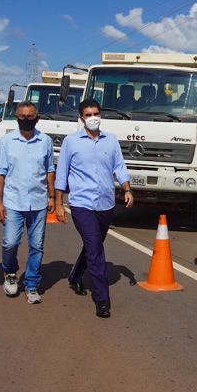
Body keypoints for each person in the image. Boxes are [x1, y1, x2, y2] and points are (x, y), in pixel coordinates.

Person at [54, 99, 133, 318]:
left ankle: (75, 275)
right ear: (81, 118)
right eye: (88, 115)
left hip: (105, 203)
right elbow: (62, 173)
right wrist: (59, 204)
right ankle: (102, 299)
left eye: (96, 113)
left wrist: (127, 188)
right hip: (81, 203)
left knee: (94, 245)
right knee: (95, 249)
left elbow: (120, 166)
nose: (92, 118)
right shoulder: (71, 142)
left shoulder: (111, 140)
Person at [0, 101, 55, 304]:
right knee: (10, 243)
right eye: (22, 116)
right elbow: (0, 173)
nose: (26, 120)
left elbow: (49, 170)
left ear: (37, 118)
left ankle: (31, 284)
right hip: (13, 201)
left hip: (38, 201)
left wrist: (52, 196)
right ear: (16, 117)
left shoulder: (45, 141)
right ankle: (10, 272)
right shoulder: (7, 141)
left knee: (37, 246)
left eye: (30, 116)